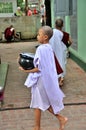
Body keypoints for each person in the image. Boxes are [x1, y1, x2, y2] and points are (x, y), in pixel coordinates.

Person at [19, 26, 68, 130]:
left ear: (45, 37)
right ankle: (38, 126)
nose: (37, 36)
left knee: (41, 102)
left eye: (39, 34)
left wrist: (25, 70)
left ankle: (59, 119)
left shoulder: (41, 49)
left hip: (41, 80)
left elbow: (38, 68)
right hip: (46, 79)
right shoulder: (49, 47)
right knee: (39, 103)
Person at [50, 19, 73, 86]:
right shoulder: (65, 34)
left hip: (53, 51)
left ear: (55, 25)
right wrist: (66, 46)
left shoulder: (51, 32)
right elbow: (70, 42)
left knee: (54, 63)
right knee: (61, 63)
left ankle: (54, 78)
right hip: (62, 52)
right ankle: (61, 78)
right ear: (62, 25)